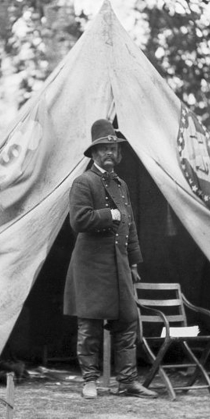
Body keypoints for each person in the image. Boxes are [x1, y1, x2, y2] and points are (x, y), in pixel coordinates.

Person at [63, 119, 158, 399]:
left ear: (118, 153)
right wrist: (108, 215)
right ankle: (89, 381)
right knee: (90, 325)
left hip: (119, 264)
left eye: (113, 148)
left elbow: (130, 226)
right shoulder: (84, 182)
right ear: (93, 153)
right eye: (103, 148)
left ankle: (127, 381)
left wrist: (133, 262)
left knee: (127, 322)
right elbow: (78, 221)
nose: (108, 153)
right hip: (91, 265)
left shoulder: (121, 185)